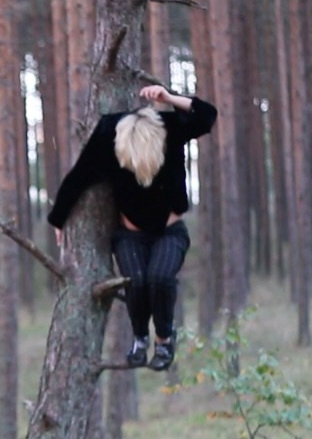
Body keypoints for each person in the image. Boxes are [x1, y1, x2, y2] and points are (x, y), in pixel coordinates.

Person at [47, 84, 217, 371]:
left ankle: (163, 340)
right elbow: (79, 177)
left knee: (160, 277)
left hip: (169, 231)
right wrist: (57, 219)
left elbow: (207, 115)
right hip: (130, 234)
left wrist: (168, 98)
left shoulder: (169, 128)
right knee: (137, 281)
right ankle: (140, 338)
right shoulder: (107, 135)